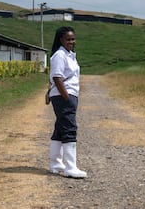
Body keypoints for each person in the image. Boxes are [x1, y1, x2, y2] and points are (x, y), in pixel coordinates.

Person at [48, 26, 87, 179]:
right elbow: (57, 77)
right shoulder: (59, 55)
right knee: (70, 128)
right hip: (64, 96)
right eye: (68, 39)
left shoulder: (69, 55)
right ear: (61, 40)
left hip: (67, 95)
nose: (71, 41)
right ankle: (71, 167)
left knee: (60, 129)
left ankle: (56, 164)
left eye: (73, 39)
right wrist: (66, 97)